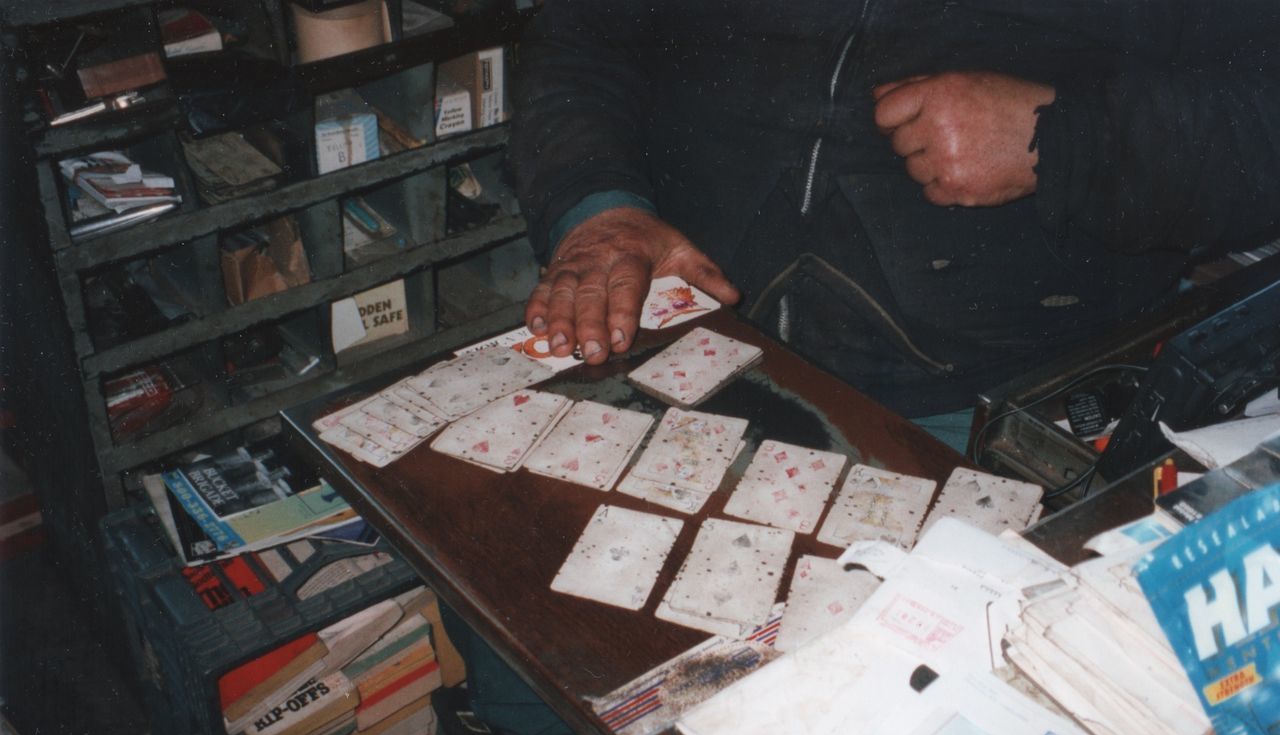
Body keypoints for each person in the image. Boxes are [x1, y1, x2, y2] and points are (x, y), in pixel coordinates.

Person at [508, 1, 1280, 448]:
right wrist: (597, 206)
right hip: (678, 325)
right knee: (522, 654)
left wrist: (1076, 139)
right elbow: (583, 34)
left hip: (990, 398)